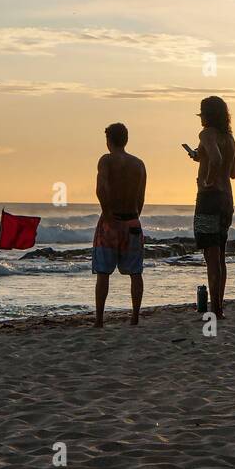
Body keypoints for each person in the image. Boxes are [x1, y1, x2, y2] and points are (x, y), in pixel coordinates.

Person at [187, 96, 235, 318]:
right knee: (221, 256)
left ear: (207, 115)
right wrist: (199, 157)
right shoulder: (229, 138)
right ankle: (219, 305)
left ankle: (214, 309)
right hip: (227, 199)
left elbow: (215, 159)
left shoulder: (206, 134)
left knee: (211, 257)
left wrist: (207, 178)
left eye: (202, 113)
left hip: (209, 198)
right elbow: (233, 171)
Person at [92, 122, 147, 328]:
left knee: (103, 272)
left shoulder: (106, 160)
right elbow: (141, 196)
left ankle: (99, 320)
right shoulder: (139, 164)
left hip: (111, 220)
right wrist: (135, 215)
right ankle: (135, 317)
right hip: (132, 220)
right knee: (135, 273)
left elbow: (101, 188)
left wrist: (107, 214)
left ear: (109, 141)